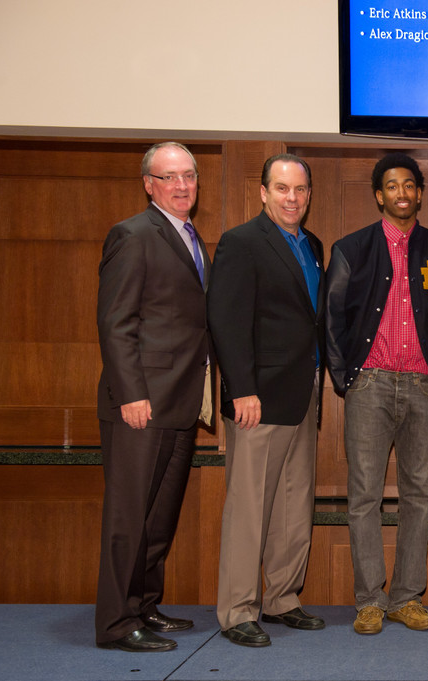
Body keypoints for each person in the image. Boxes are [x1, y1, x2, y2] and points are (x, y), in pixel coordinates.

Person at [325, 152, 428, 635]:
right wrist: (347, 378)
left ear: (419, 193)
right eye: (392, 186)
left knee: (419, 496)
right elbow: (333, 319)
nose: (401, 193)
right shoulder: (351, 248)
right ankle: (369, 600)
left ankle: (406, 598)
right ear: (379, 195)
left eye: (409, 185)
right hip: (370, 385)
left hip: (424, 387)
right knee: (364, 496)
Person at [95, 141, 211, 652]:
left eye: (188, 175)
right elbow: (116, 322)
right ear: (149, 184)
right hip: (140, 405)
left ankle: (143, 606)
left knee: (158, 518)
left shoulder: (189, 236)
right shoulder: (132, 234)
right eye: (169, 177)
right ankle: (117, 625)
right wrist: (131, 394)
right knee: (129, 520)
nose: (181, 185)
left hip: (181, 402)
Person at [207, 154, 325, 647]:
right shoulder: (241, 242)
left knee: (294, 503)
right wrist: (241, 390)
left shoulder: (312, 245)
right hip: (259, 396)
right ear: (263, 192)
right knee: (250, 506)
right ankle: (237, 610)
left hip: (305, 391)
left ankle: (281, 598)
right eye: (281, 188)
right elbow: (226, 321)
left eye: (299, 189)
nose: (292, 198)